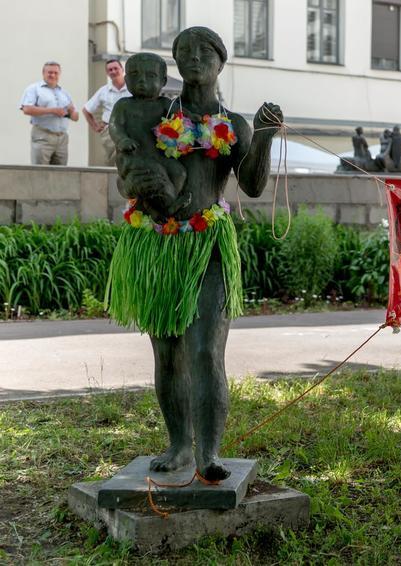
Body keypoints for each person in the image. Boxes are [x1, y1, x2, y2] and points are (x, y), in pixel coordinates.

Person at [106, 27, 282, 481]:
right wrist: (138, 185)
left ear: (221, 61)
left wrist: (262, 136)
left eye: (205, 51)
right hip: (158, 243)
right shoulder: (154, 112)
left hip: (209, 248)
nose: (193, 58)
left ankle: (208, 453)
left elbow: (254, 185)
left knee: (205, 351)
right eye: (184, 51)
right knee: (167, 354)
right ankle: (179, 446)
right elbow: (125, 173)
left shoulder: (234, 124)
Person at [109, 53, 189, 219]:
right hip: (135, 157)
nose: (142, 81)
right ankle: (168, 206)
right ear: (126, 79)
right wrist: (122, 140)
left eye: (150, 75)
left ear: (163, 81)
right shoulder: (124, 105)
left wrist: (193, 120)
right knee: (153, 175)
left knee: (178, 172)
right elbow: (114, 126)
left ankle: (166, 204)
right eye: (135, 75)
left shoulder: (164, 104)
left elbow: (181, 118)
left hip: (159, 155)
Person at [19, 61, 79, 165]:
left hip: (62, 139)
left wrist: (71, 111)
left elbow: (75, 118)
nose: (53, 75)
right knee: (41, 173)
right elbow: (27, 109)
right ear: (43, 73)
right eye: (50, 72)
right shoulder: (34, 89)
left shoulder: (64, 93)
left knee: (61, 174)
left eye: (56, 73)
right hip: (43, 137)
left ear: (59, 74)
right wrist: (52, 110)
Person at [83, 59, 130, 165]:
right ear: (107, 73)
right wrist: (95, 126)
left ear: (122, 70)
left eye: (115, 68)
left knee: (128, 161)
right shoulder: (103, 91)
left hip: (129, 130)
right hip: (109, 131)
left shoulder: (132, 89)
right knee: (111, 162)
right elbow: (86, 110)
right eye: (110, 69)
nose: (113, 71)